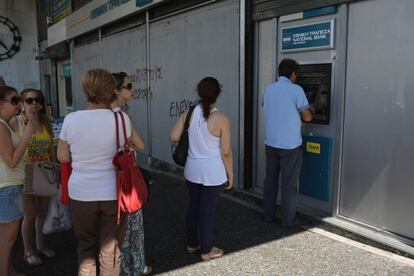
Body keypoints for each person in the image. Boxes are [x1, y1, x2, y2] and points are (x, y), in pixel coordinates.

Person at [57, 69, 131, 275]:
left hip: (81, 192)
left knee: (86, 249)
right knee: (110, 251)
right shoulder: (121, 119)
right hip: (113, 192)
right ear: (112, 91)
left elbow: (62, 156)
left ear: (85, 90)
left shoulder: (71, 119)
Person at [170, 77, 233, 261]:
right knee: (207, 211)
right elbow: (226, 152)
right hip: (212, 172)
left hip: (192, 169)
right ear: (217, 95)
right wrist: (231, 173)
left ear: (199, 93)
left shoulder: (188, 113)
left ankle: (192, 244)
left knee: (193, 207)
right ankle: (206, 250)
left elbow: (173, 137)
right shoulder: (221, 118)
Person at [262, 58, 313, 227]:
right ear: (293, 74)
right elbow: (307, 117)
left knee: (270, 181)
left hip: (270, 144)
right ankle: (288, 221)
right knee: (289, 184)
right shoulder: (296, 90)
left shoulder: (267, 90)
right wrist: (312, 109)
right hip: (290, 146)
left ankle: (268, 215)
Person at [111, 72, 152, 276]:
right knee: (132, 223)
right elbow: (141, 143)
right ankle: (136, 266)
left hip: (108, 176)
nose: (132, 89)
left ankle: (120, 267)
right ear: (116, 90)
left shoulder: (100, 114)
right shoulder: (121, 116)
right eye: (128, 86)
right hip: (125, 177)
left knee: (115, 226)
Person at [13, 88, 56, 266]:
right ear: (22, 103)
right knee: (30, 214)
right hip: (27, 171)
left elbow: (51, 148)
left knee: (42, 213)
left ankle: (40, 246)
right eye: (29, 100)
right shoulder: (16, 122)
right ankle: (28, 251)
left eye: (37, 100)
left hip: (45, 170)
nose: (34, 104)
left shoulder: (46, 121)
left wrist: (55, 170)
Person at [0, 85, 35, 276]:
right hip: (7, 188)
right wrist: (28, 134)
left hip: (9, 187)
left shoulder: (5, 124)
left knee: (7, 240)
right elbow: (11, 161)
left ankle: (9, 270)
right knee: (7, 240)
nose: (19, 104)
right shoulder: (1, 126)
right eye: (14, 100)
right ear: (1, 104)